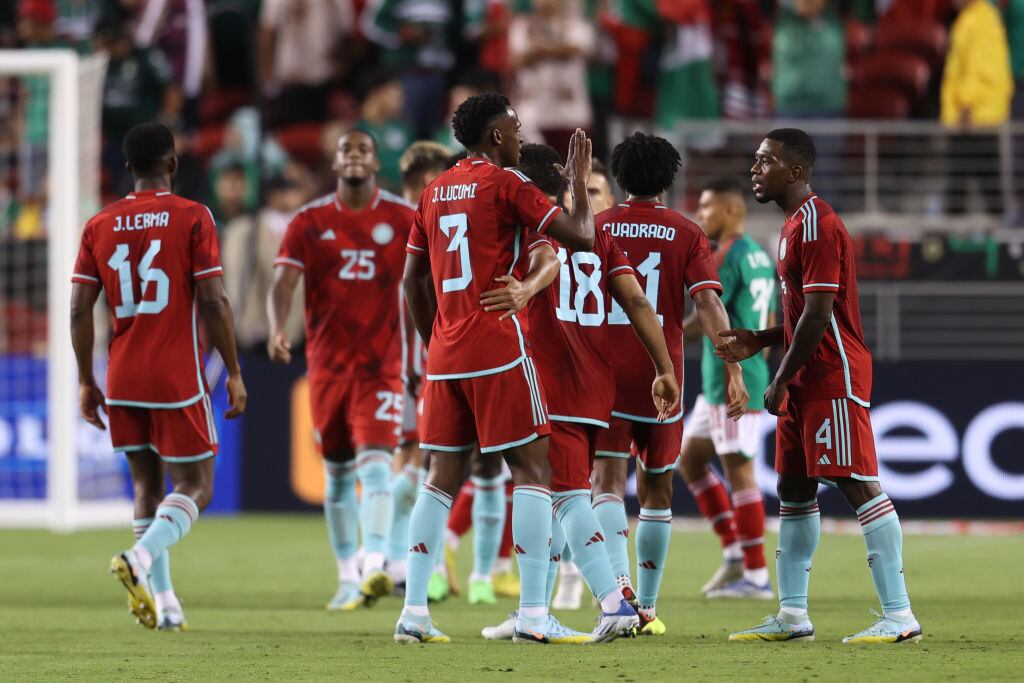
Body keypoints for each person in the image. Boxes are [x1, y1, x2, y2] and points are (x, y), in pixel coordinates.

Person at [395, 92, 597, 644]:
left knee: (438, 480)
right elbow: (582, 237)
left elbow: (412, 280)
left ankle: (413, 613)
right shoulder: (506, 184)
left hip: (446, 354)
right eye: (514, 128)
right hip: (498, 346)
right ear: (493, 137)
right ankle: (534, 615)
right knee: (534, 473)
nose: (521, 137)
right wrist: (577, 181)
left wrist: (436, 338)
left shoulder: (433, 191)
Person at [720, 128, 922, 644]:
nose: (755, 169)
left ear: (796, 169)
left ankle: (899, 616)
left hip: (831, 373)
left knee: (856, 483)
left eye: (766, 161)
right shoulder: (791, 226)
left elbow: (818, 314)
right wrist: (760, 339)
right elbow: (800, 317)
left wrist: (779, 376)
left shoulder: (817, 224)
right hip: (806, 372)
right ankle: (792, 615)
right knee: (793, 489)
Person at [482, 142, 678, 643]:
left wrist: (525, 290)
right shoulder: (602, 238)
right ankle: (534, 610)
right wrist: (665, 367)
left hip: (549, 382)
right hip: (595, 388)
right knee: (553, 494)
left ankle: (610, 602)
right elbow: (636, 301)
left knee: (562, 494)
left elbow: (545, 261)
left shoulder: (529, 232)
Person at [70, 122, 247, 631]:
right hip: (176, 373)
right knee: (197, 484)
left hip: (122, 374)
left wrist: (87, 378)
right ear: (172, 163)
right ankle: (141, 559)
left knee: (147, 485)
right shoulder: (193, 216)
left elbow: (80, 308)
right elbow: (213, 299)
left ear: (127, 168)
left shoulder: (98, 223)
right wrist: (234, 371)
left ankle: (166, 604)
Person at [591, 132, 747, 636]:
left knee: (606, 484)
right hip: (666, 377)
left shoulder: (596, 226)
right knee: (657, 488)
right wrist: (733, 366)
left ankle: (618, 596)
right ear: (669, 178)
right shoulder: (686, 232)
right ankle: (649, 609)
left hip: (604, 374)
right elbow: (707, 303)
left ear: (619, 177)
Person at [267, 130, 413, 611]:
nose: (353, 156)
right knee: (335, 475)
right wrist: (277, 328)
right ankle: (347, 574)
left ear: (375, 163)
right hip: (326, 368)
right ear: (335, 163)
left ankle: (374, 564)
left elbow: (428, 285)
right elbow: (283, 282)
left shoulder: (403, 218)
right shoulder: (309, 221)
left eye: (363, 150)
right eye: (346, 150)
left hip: (381, 366)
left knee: (376, 467)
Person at [678, 177, 775, 599]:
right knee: (691, 460)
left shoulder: (727, 256)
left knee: (739, 470)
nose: (700, 215)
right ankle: (735, 553)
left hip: (733, 379)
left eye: (707, 207)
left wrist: (664, 333)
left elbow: (708, 314)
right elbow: (768, 315)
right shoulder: (758, 255)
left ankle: (756, 577)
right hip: (727, 380)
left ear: (732, 210)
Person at [388, 140, 452, 592]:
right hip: (416, 366)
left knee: (430, 465)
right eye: (423, 184)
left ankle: (408, 564)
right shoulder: (409, 226)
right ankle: (397, 562)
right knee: (423, 464)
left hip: (435, 361)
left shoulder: (438, 225)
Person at [941, 0, 1014, 216]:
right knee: (973, 179)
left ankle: (996, 233)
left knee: (971, 180)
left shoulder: (981, 20)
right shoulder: (970, 18)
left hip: (975, 116)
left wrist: (966, 103)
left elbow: (979, 68)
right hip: (973, 114)